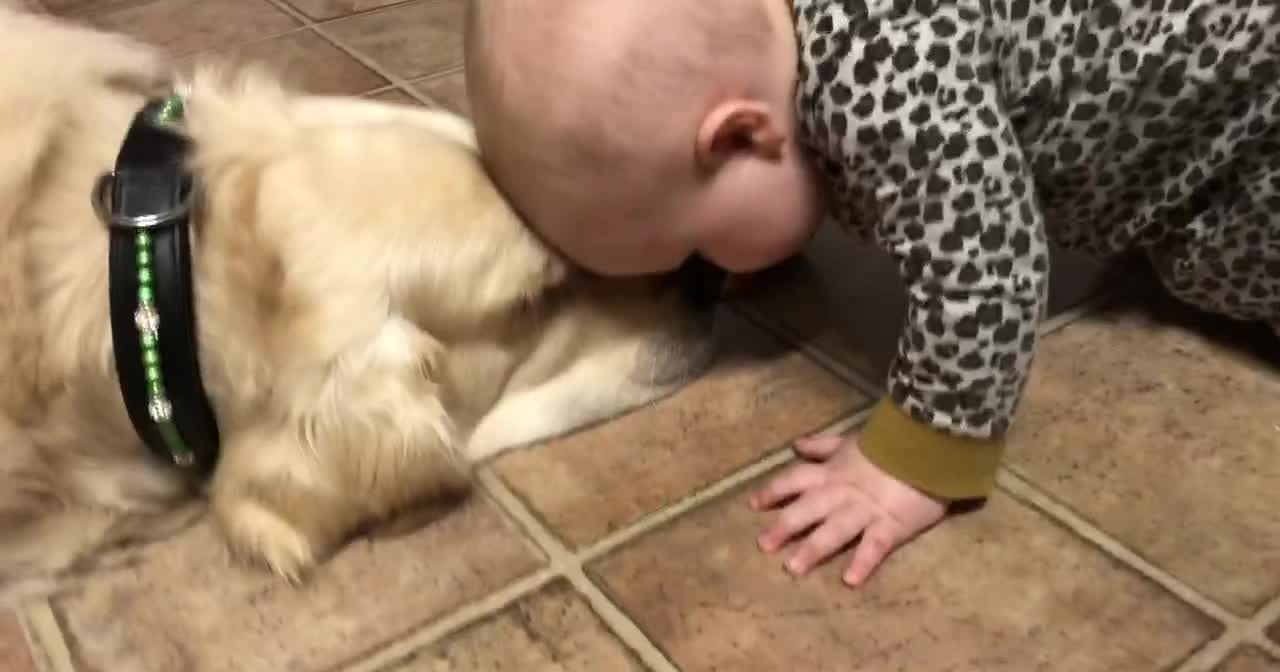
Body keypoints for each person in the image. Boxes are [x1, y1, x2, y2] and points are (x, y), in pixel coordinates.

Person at [463, 0, 1280, 588]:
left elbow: (991, 256)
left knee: (1217, 257)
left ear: (745, 135)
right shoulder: (809, 40)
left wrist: (915, 461)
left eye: (696, 245)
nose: (706, 272)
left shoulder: (877, 87)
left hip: (1243, 112)